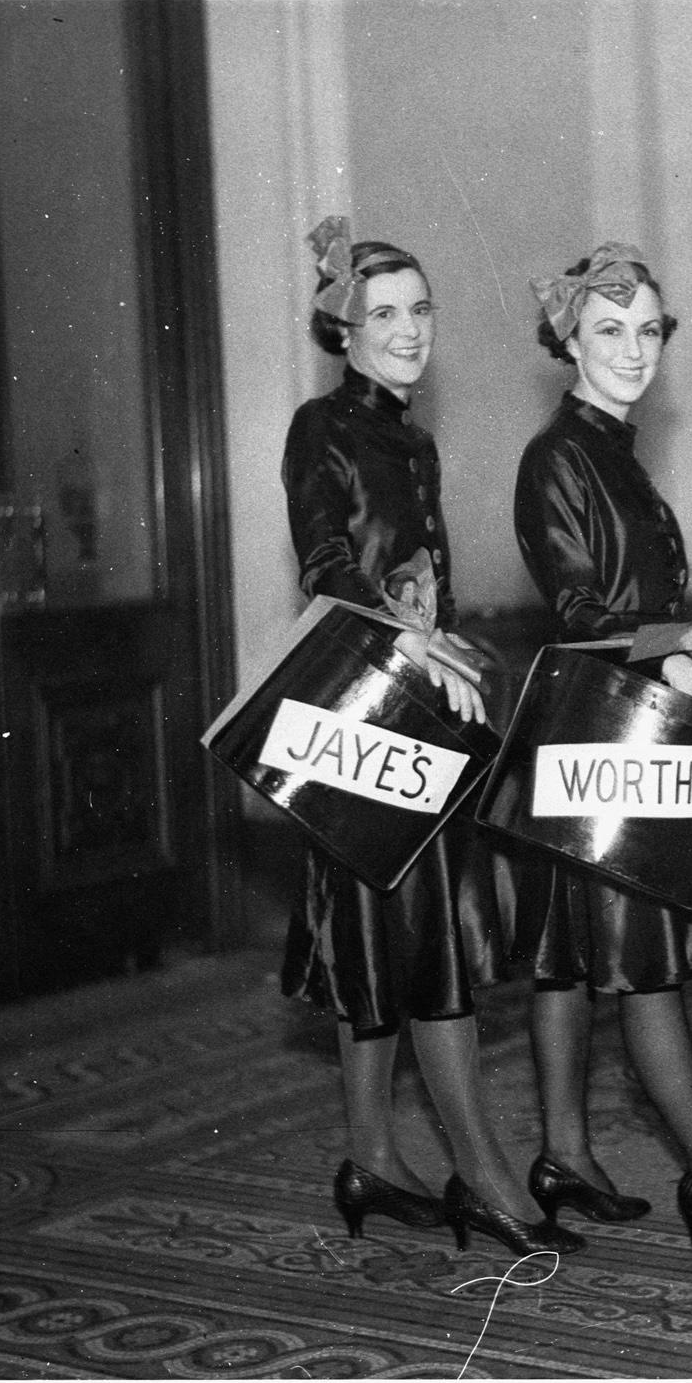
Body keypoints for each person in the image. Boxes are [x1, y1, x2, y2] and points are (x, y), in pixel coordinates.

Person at [280, 217, 582, 1258]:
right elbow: (328, 565)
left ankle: (369, 1154)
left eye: (420, 310)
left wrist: (445, 645)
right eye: (384, 313)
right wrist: (418, 639)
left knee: (392, 932)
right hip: (364, 708)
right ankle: (484, 1173)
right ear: (343, 329)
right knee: (424, 936)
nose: (408, 330)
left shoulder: (411, 436)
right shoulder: (320, 428)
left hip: (421, 702)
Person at [510, 242, 692, 1252]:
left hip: (613, 719)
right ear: (567, 340)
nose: (633, 349)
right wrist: (679, 663)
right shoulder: (558, 457)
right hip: (605, 719)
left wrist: (671, 662)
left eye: (647, 330)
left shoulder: (612, 451)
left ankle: (563, 1152)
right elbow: (582, 607)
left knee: (568, 953)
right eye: (608, 330)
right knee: (641, 963)